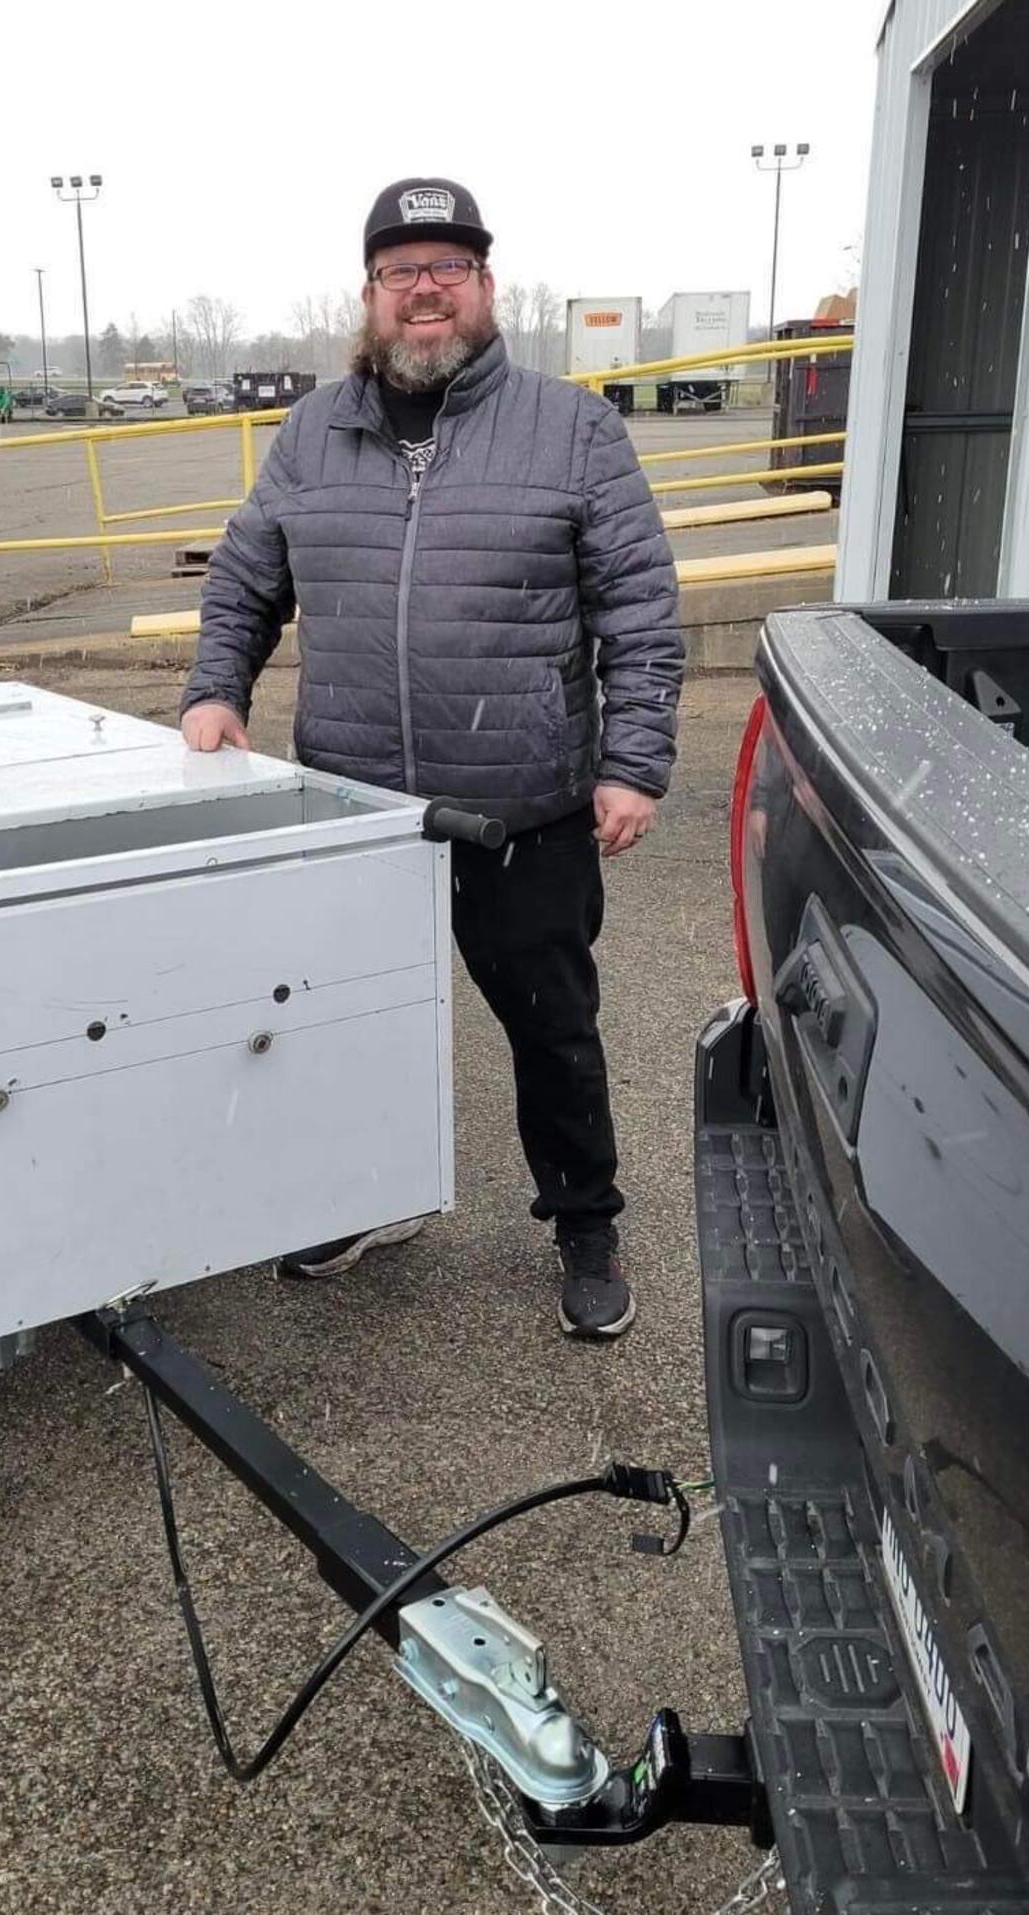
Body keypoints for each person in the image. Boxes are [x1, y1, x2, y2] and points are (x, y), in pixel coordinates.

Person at [181, 178, 682, 1337]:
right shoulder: (311, 433)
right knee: (354, 1019)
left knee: (549, 1024)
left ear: (486, 290)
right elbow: (246, 578)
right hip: (357, 808)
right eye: (401, 270)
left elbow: (639, 611)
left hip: (521, 807)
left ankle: (583, 1218)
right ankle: (370, 1197)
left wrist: (634, 762)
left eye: (447, 267)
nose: (425, 289)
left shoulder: (573, 428)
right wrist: (216, 691)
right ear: (368, 296)